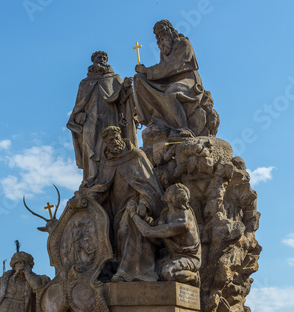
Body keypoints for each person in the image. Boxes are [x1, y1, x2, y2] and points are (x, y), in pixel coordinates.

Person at [87, 126, 163, 282]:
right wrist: (88, 198)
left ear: (120, 138)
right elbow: (102, 185)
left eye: (115, 139)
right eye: (109, 142)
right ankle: (110, 269)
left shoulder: (136, 156)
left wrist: (143, 205)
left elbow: (148, 187)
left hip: (135, 204)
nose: (113, 143)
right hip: (114, 208)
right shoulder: (108, 162)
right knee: (108, 232)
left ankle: (128, 272)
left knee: (125, 228)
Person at [67, 51, 137, 187]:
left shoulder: (114, 78)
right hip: (90, 120)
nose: (103, 59)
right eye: (99, 57)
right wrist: (76, 117)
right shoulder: (85, 83)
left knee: (109, 145)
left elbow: (122, 99)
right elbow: (79, 105)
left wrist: (126, 88)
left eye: (105, 58)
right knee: (89, 146)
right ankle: (91, 177)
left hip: (110, 117)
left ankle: (110, 176)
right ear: (93, 60)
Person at [133, 20, 205, 137]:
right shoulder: (164, 51)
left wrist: (147, 70)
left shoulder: (183, 43)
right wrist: (144, 74)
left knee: (171, 93)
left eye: (162, 33)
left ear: (170, 31)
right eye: (158, 35)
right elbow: (163, 70)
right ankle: (154, 118)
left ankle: (183, 127)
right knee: (139, 79)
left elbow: (173, 65)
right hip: (168, 80)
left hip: (188, 80)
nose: (160, 37)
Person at [127, 183, 201, 286]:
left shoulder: (182, 223)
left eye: (169, 190)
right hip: (172, 255)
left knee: (167, 273)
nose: (166, 190)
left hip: (188, 258)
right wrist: (144, 216)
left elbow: (147, 232)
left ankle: (194, 276)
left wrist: (133, 214)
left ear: (171, 199)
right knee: (148, 272)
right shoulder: (167, 212)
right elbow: (155, 226)